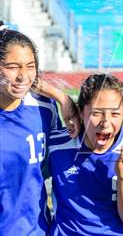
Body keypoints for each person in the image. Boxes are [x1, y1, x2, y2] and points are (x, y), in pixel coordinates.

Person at [42, 74, 123, 235]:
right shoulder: (57, 145)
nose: (105, 122)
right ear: (80, 113)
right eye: (97, 113)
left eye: (115, 114)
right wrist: (61, 97)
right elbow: (19, 77)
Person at [0, 24, 76, 235]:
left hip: (37, 229)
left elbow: (57, 164)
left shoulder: (44, 109)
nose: (23, 75)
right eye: (13, 66)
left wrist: (62, 98)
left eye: (30, 66)